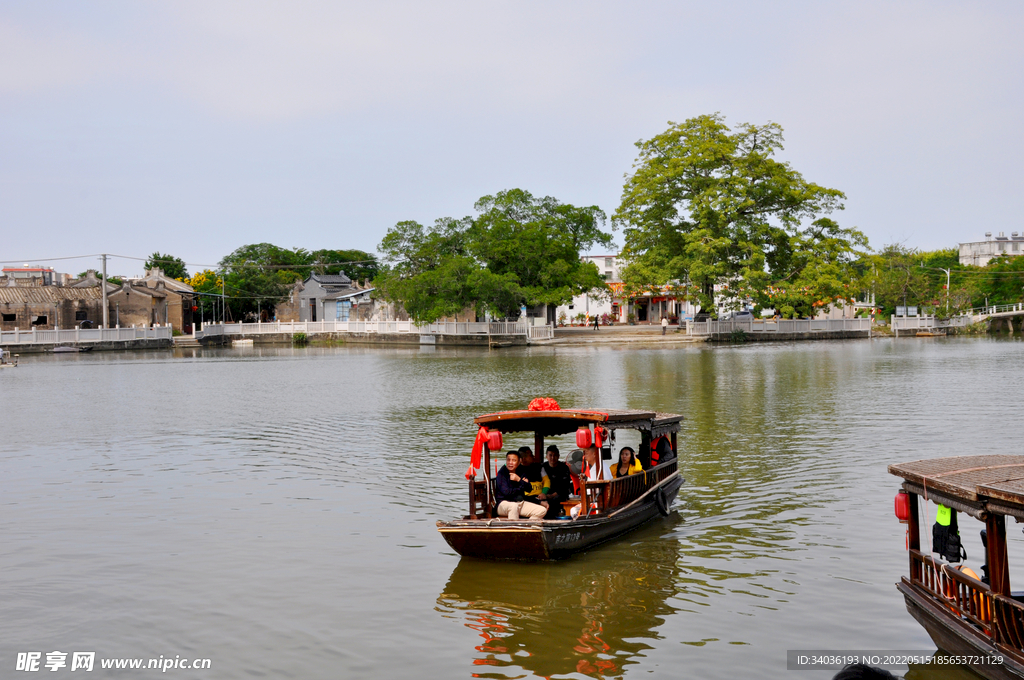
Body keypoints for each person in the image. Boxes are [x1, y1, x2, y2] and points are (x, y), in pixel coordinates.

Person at [495, 451, 547, 520]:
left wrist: (518, 479)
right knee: (513, 506)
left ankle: (528, 527)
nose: (510, 462)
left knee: (541, 510)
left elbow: (529, 488)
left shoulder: (521, 471)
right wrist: (522, 485)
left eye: (514, 460)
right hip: (503, 504)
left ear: (519, 462)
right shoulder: (502, 473)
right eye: (508, 460)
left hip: (519, 502)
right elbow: (507, 493)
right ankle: (513, 529)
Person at [542, 445, 574, 517]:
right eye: (550, 455)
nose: (553, 458)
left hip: (560, 493)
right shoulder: (543, 467)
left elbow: (565, 485)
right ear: (546, 456)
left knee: (555, 500)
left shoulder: (564, 467)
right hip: (546, 492)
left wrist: (552, 495)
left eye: (555, 455)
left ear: (558, 456)